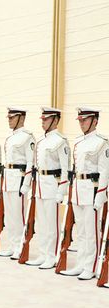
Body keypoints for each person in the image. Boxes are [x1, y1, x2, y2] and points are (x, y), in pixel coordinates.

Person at [60, 107, 109, 280]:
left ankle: (91, 266)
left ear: (95, 121)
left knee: (91, 231)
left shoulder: (102, 142)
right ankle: (81, 264)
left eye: (85, 120)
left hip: (92, 190)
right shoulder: (79, 142)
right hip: (79, 190)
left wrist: (101, 195)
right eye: (80, 120)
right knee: (80, 230)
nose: (81, 123)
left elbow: (105, 171)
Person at [26, 107, 69, 269]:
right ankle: (43, 254)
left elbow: (66, 168)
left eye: (46, 119)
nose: (43, 122)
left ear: (55, 120)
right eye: (42, 119)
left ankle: (52, 256)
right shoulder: (41, 141)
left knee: (52, 224)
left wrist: (62, 190)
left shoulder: (60, 140)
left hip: (52, 185)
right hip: (41, 185)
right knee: (42, 223)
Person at [0, 107, 35, 259]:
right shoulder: (10, 138)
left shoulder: (27, 137)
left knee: (19, 215)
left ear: (21, 118)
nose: (9, 120)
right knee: (10, 215)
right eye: (9, 118)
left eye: (12, 118)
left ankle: (20, 246)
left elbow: (31, 162)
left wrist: (26, 184)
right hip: (8, 178)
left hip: (19, 178)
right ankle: (12, 246)